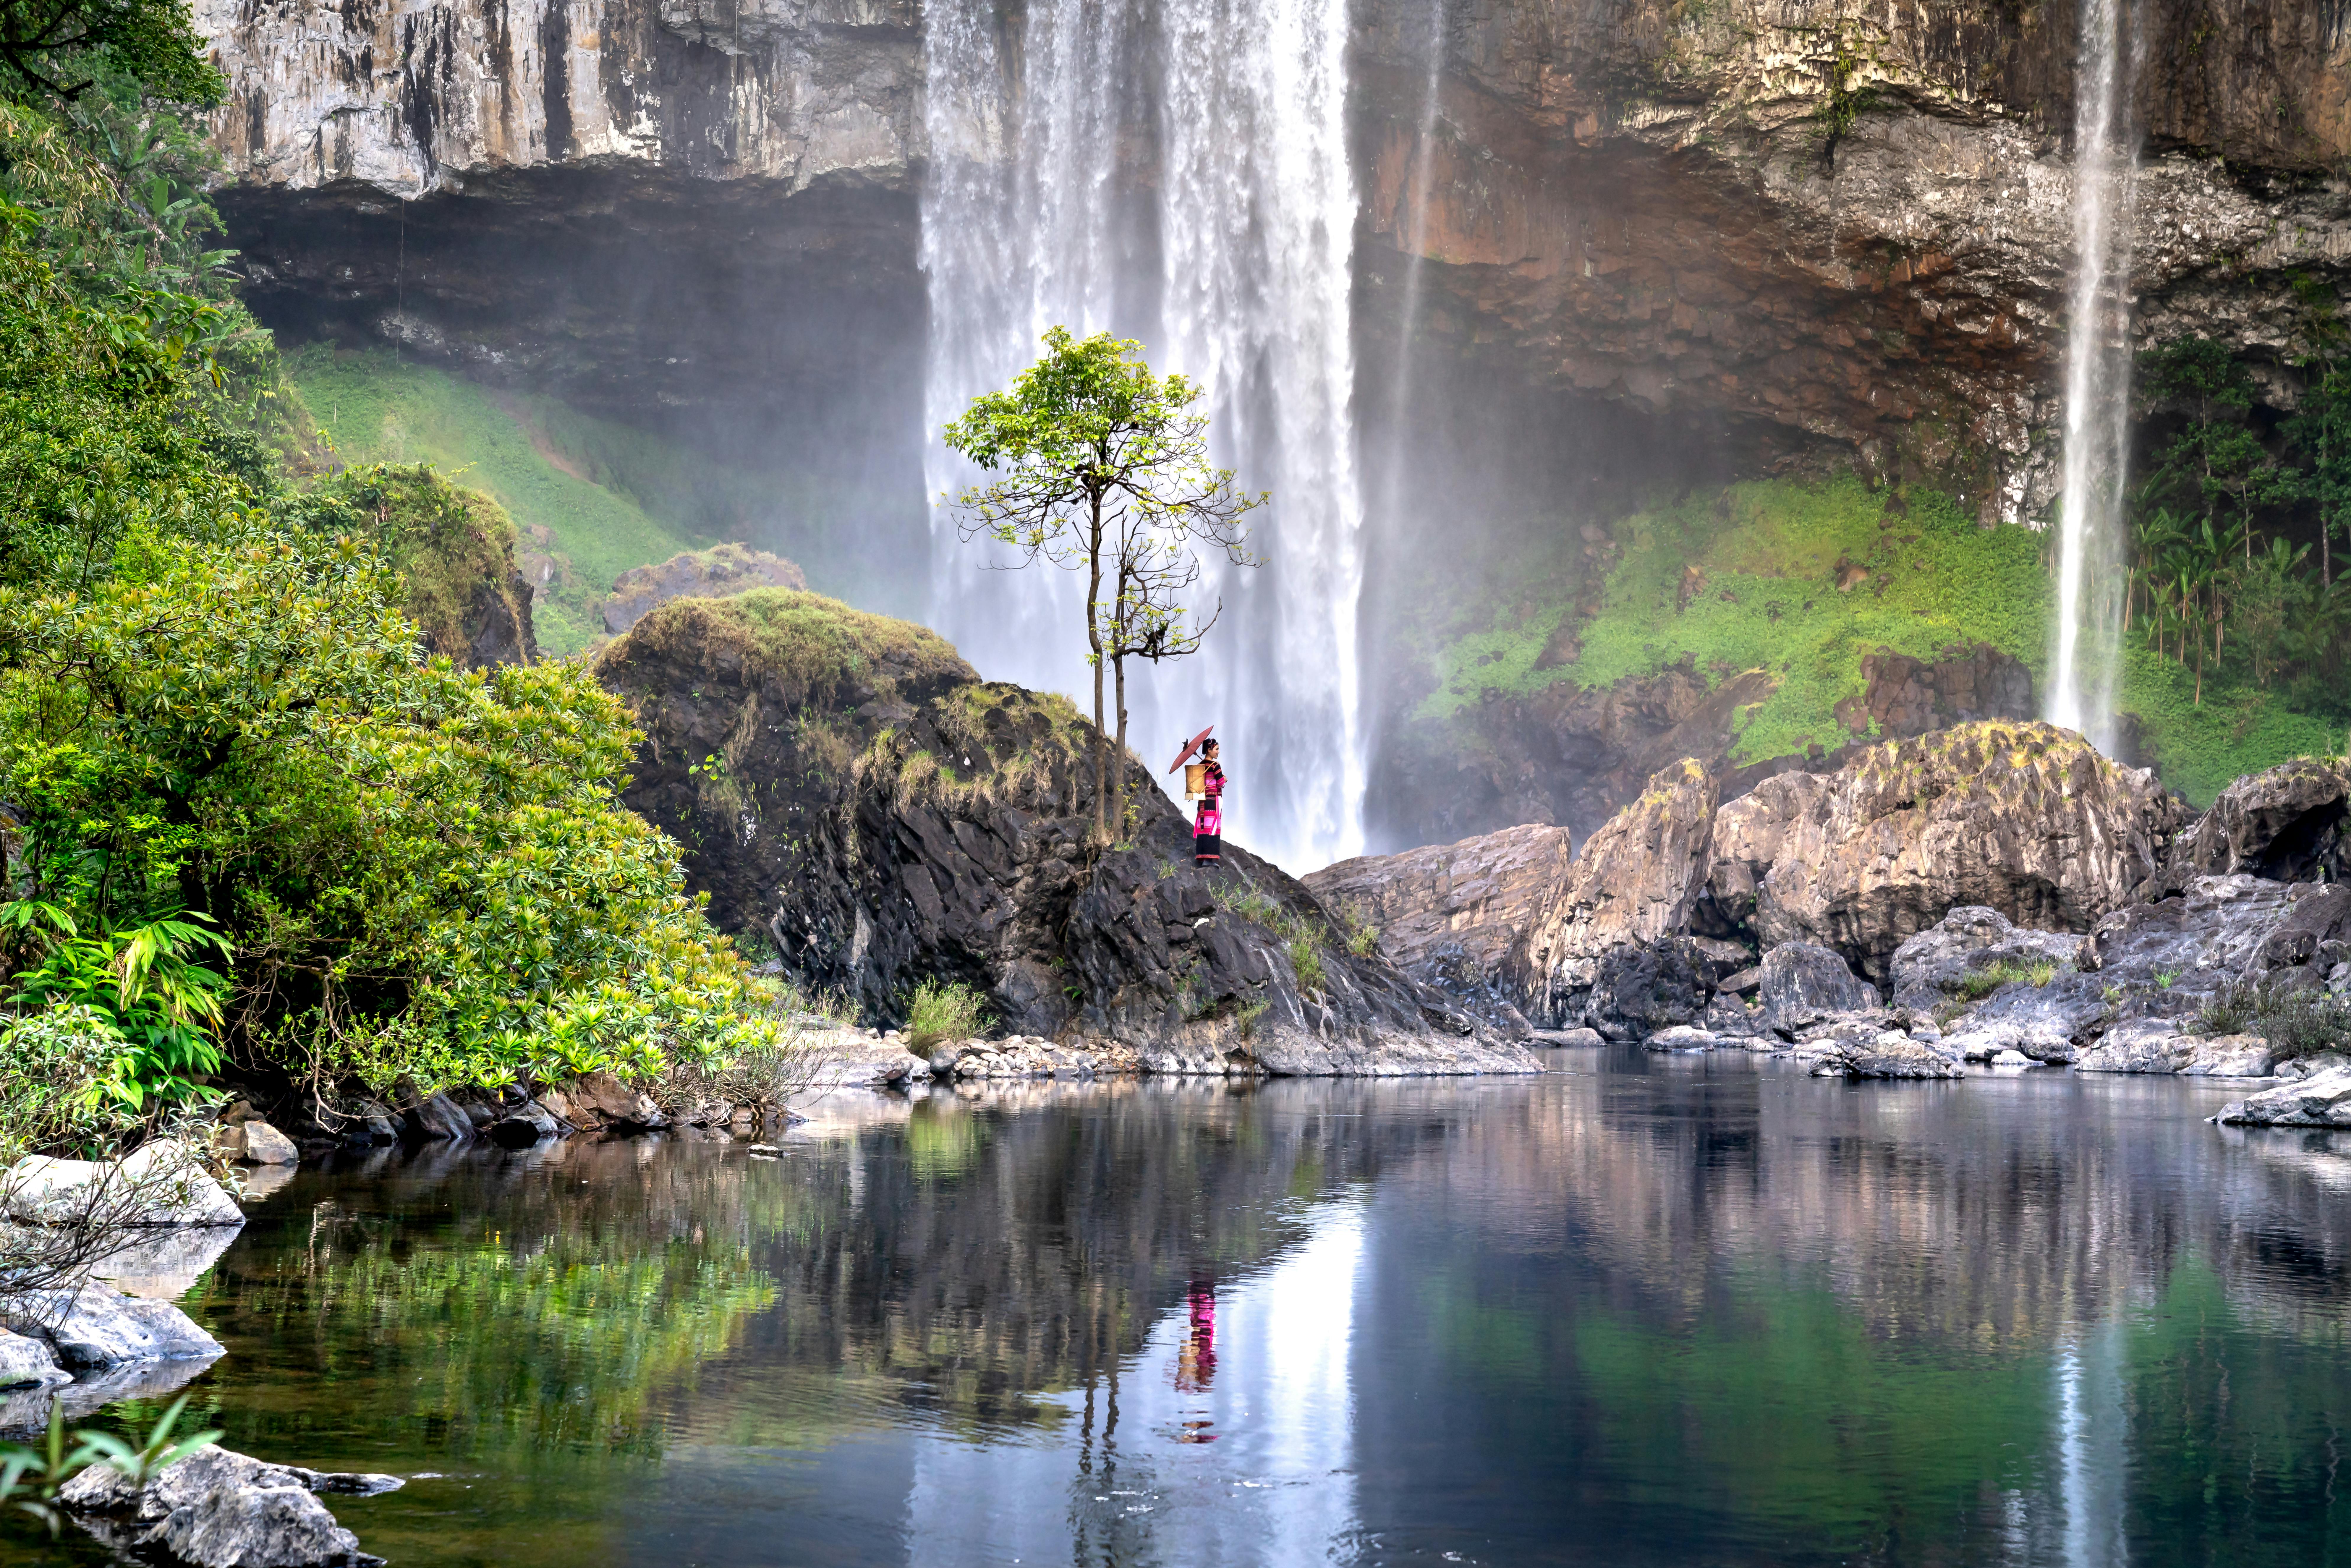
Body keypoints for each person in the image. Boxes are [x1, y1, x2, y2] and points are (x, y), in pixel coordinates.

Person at [1194, 740, 1225, 867]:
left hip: (1202, 801)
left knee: (1203, 826)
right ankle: (1209, 859)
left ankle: (1201, 856)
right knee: (1212, 827)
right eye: (1216, 749)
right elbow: (1221, 784)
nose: (1218, 752)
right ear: (1209, 750)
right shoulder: (1215, 766)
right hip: (1213, 802)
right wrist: (1224, 778)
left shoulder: (1200, 765)